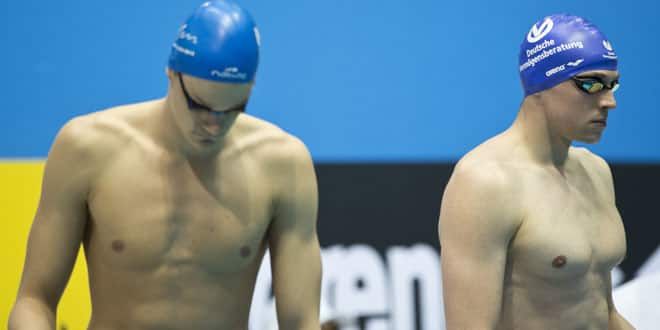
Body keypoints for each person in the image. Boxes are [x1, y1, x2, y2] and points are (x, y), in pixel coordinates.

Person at [9, 1, 322, 329]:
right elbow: (34, 300)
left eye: (232, 109)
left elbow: (302, 321)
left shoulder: (284, 166)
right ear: (172, 72)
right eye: (199, 105)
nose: (213, 125)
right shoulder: (87, 148)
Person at [438, 14, 634, 329]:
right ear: (541, 85)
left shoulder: (596, 172)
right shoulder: (485, 182)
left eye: (612, 84)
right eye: (591, 84)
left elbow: (603, 314)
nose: (609, 101)